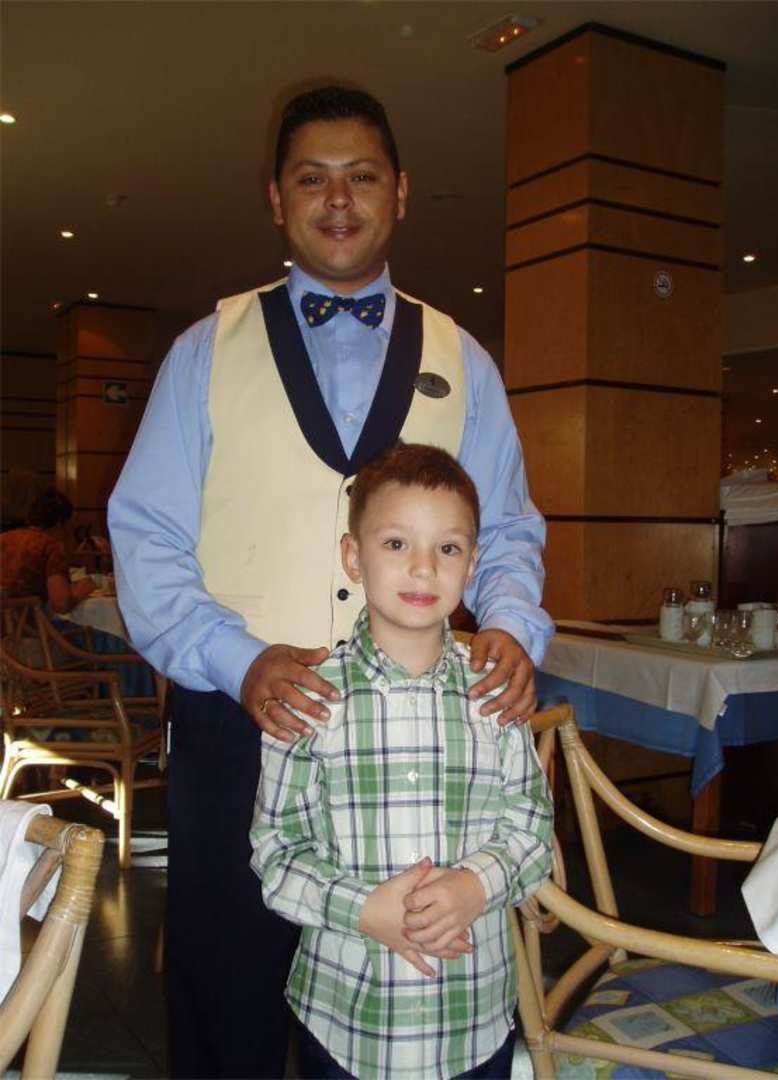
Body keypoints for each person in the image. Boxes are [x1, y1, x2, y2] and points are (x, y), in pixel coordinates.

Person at [108, 85, 554, 1079]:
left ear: (401, 192)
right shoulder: (203, 352)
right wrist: (238, 660)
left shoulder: (464, 359)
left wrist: (511, 627)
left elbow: (510, 528)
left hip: (427, 737)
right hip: (240, 724)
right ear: (277, 198)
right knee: (227, 1004)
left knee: (406, 1004)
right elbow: (146, 541)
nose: (339, 199)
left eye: (362, 176)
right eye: (313, 178)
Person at [251, 444, 553, 1080]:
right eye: (396, 543)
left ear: (473, 564)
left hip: (473, 1019)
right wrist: (363, 909)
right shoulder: (309, 699)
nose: (423, 567)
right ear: (353, 558)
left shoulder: (495, 693)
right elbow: (277, 853)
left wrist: (477, 885)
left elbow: (532, 828)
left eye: (448, 548)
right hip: (346, 1020)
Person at [0, 488, 95, 613]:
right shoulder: (50, 547)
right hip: (25, 621)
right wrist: (79, 592)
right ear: (59, 523)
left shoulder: (3, 538)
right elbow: (61, 604)